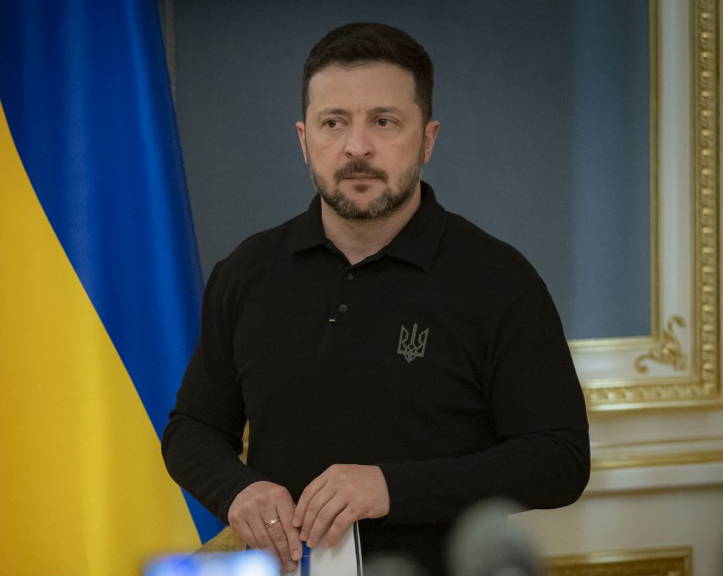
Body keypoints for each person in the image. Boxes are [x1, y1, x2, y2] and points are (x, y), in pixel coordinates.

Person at [162, 22, 590, 576]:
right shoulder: (247, 272)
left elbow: (560, 459)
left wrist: (390, 487)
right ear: (304, 140)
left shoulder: (499, 280)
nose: (357, 146)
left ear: (428, 139)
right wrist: (237, 490)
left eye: (384, 122)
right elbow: (191, 428)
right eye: (333, 122)